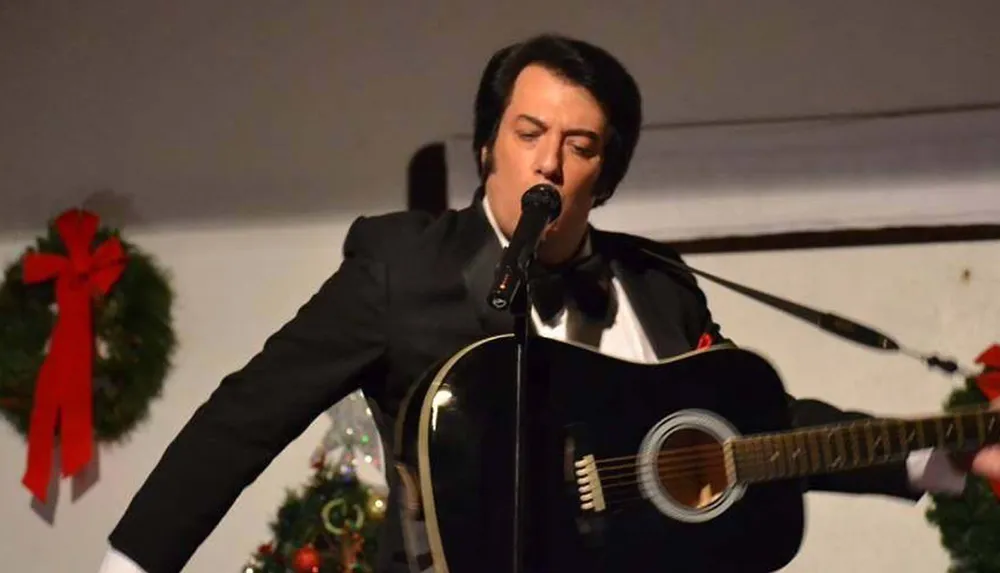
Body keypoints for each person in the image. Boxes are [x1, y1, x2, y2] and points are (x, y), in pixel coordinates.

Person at [98, 33, 1000, 573]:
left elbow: (748, 424)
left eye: (580, 146)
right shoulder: (398, 268)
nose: (549, 163)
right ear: (488, 144)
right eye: (529, 134)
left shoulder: (656, 284)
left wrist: (936, 453)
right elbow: (243, 420)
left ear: (605, 176)